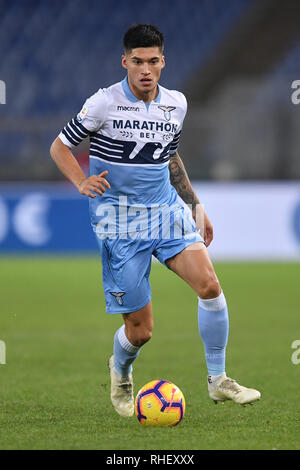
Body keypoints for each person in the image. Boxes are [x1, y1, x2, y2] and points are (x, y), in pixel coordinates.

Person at [50, 24, 260, 417]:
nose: (145, 69)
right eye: (137, 61)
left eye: (153, 61)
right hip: (119, 224)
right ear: (125, 62)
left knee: (210, 286)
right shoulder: (103, 103)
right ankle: (121, 370)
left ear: (163, 62)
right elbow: (60, 146)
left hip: (166, 212)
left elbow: (170, 158)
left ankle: (218, 380)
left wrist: (196, 207)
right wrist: (80, 181)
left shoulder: (175, 104)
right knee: (141, 331)